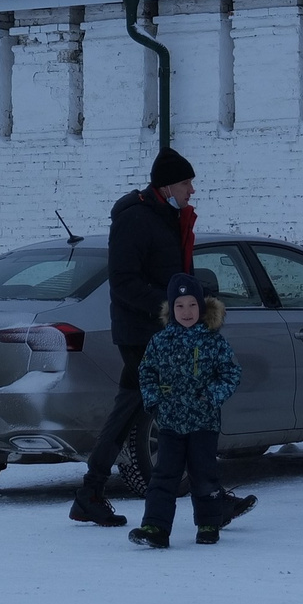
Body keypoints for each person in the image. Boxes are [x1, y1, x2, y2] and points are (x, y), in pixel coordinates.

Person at [70, 149, 196, 526]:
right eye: (187, 183)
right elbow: (124, 283)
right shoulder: (135, 220)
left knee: (127, 413)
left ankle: (89, 493)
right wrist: (171, 305)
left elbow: (168, 271)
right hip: (143, 334)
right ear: (167, 185)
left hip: (159, 332)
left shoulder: (168, 217)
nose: (192, 190)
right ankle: (208, 495)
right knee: (179, 410)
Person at [129, 271, 243, 549]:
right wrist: (154, 399)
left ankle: (208, 522)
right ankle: (155, 526)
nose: (187, 311)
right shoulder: (161, 341)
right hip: (169, 422)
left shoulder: (213, 341)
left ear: (202, 307)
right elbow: (146, 372)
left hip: (203, 422)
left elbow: (230, 373)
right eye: (180, 306)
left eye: (192, 305)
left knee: (204, 474)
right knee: (163, 476)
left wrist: (211, 396)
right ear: (171, 309)